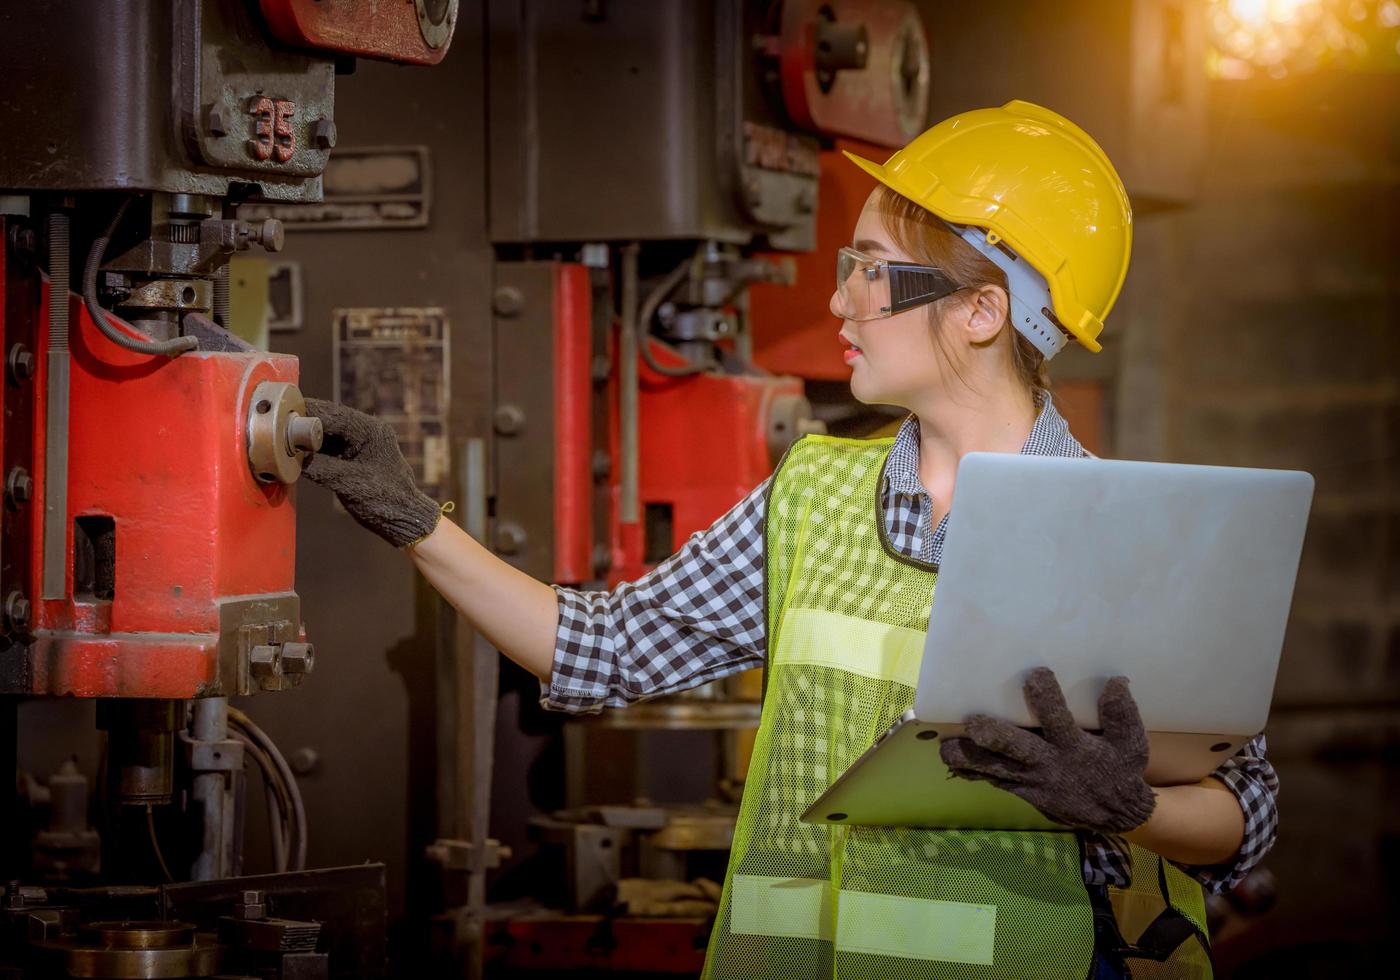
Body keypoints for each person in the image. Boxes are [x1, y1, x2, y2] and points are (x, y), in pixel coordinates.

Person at [305, 101, 1278, 979]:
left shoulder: (1123, 536)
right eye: (844, 265)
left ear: (985, 311)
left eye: (871, 271)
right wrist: (413, 518)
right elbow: (598, 649)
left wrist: (1128, 806)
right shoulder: (814, 491)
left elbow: (1244, 807)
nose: (838, 300)